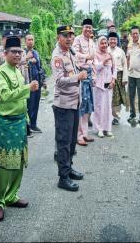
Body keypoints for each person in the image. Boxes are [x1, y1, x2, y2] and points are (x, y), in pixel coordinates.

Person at [0, 35, 39, 222]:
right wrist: (28, 88)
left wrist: (26, 119)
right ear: (6, 53)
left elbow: (21, 100)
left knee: (18, 161)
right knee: (4, 165)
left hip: (19, 122)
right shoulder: (0, 73)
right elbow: (6, 95)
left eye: (19, 52)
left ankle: (11, 196)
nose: (18, 55)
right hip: (6, 124)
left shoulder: (18, 71)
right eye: (14, 52)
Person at [52, 25, 87, 191]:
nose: (69, 38)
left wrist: (81, 70)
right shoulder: (57, 56)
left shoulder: (70, 51)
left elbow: (73, 70)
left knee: (72, 141)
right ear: (59, 37)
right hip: (63, 105)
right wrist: (77, 77)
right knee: (64, 142)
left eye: (71, 35)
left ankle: (69, 167)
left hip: (74, 102)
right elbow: (59, 81)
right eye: (65, 35)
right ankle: (63, 177)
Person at [73, 18, 96, 146]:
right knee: (81, 104)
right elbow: (75, 53)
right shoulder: (77, 39)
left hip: (89, 75)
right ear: (82, 28)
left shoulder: (92, 42)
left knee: (88, 105)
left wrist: (94, 76)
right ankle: (78, 135)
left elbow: (94, 59)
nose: (88, 29)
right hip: (80, 74)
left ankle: (85, 133)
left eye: (90, 27)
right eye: (86, 27)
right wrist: (85, 56)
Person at [92, 36, 117, 138]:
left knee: (107, 107)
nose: (104, 45)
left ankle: (107, 128)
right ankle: (99, 129)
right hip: (99, 85)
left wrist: (113, 80)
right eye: (101, 43)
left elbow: (115, 69)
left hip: (109, 84)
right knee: (99, 107)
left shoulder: (111, 54)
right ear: (98, 44)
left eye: (105, 43)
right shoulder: (95, 55)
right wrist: (103, 61)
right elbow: (96, 68)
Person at [24, 34, 46, 134]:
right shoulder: (22, 53)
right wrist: (27, 59)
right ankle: (27, 127)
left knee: (36, 105)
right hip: (28, 84)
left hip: (37, 83)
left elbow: (40, 67)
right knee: (29, 105)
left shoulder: (36, 53)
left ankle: (34, 125)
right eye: (29, 40)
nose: (31, 41)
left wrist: (43, 81)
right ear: (25, 41)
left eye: (32, 39)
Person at [108, 32, 128, 125]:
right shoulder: (105, 50)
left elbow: (125, 65)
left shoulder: (121, 51)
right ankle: (108, 115)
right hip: (107, 76)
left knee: (117, 98)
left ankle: (116, 117)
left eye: (114, 39)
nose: (112, 41)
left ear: (117, 41)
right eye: (111, 39)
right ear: (108, 41)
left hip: (119, 77)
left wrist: (125, 78)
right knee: (108, 96)